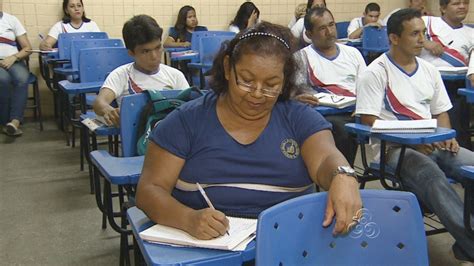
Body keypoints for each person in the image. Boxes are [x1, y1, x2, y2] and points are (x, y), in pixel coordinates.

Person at [136, 22, 362, 240]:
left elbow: (325, 159)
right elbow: (149, 190)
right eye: (246, 80)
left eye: (271, 84)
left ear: (284, 82)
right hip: (207, 251)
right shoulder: (186, 122)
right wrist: (188, 219)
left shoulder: (299, 119)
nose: (257, 93)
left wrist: (342, 175)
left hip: (287, 244)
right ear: (227, 68)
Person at [355, 8, 474, 263]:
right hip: (392, 149)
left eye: (423, 33)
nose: (422, 39)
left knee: (471, 165)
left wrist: (445, 135)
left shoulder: (429, 71)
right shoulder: (375, 72)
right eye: (414, 34)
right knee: (432, 176)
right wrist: (411, 143)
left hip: (433, 143)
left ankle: (466, 244)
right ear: (394, 38)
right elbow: (368, 120)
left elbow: (441, 111)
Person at [292, 7, 366, 166]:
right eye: (322, 28)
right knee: (342, 130)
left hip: (354, 112)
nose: (330, 31)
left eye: (331, 25)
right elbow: (294, 94)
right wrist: (298, 98)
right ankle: (342, 175)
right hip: (322, 115)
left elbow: (366, 88)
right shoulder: (301, 58)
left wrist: (362, 106)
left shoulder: (353, 54)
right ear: (310, 34)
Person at [92, 15, 189, 127]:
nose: (154, 56)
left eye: (158, 48)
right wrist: (110, 111)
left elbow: (190, 107)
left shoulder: (175, 75)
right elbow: (99, 103)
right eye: (145, 51)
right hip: (137, 138)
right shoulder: (121, 75)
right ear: (131, 53)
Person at [420, 0, 473, 149]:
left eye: (465, 3)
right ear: (443, 8)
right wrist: (425, 42)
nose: (462, 6)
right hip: (427, 83)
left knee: (458, 126)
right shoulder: (427, 22)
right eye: (456, 3)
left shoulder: (471, 33)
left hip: (457, 87)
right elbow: (398, 30)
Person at [0, 7, 33, 136]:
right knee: (3, 80)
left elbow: (27, 48)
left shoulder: (11, 20)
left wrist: (13, 57)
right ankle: (5, 122)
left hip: (14, 61)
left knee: (22, 78)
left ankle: (14, 122)